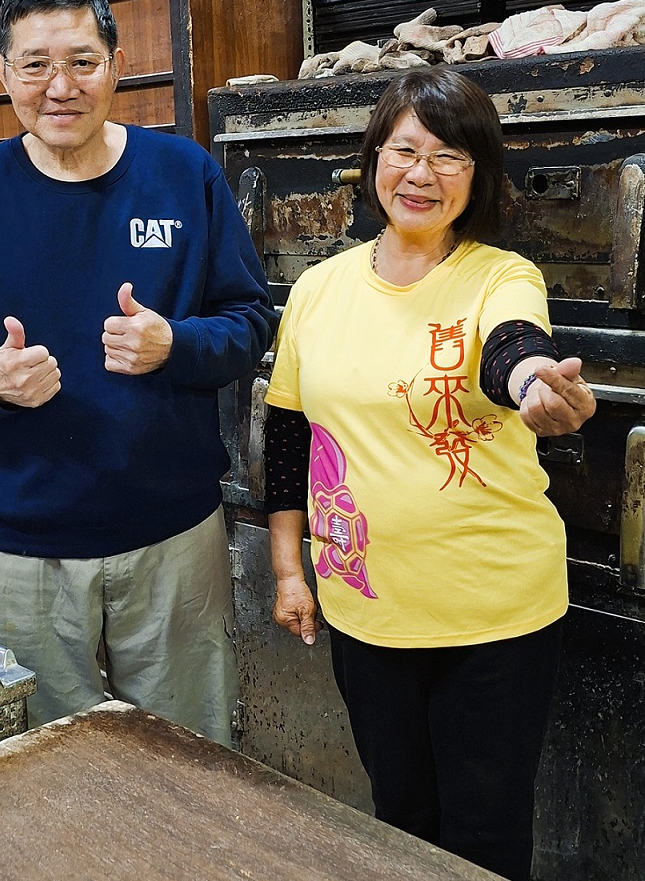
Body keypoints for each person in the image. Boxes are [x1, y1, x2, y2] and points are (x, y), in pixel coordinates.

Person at [0, 0, 277, 744]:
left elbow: (249, 322)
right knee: (44, 771)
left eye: (82, 60)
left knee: (190, 759)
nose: (59, 86)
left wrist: (177, 343)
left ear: (117, 62)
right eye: (34, 65)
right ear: (2, 72)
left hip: (173, 538)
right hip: (21, 550)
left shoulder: (183, 175)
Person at [263, 67, 596, 881]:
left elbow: (512, 350)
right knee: (401, 822)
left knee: (485, 839)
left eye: (449, 156)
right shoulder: (318, 288)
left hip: (493, 615)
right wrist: (287, 570)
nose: (421, 173)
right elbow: (287, 434)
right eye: (404, 150)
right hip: (365, 610)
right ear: (373, 158)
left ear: (476, 175)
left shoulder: (498, 274)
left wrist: (535, 388)